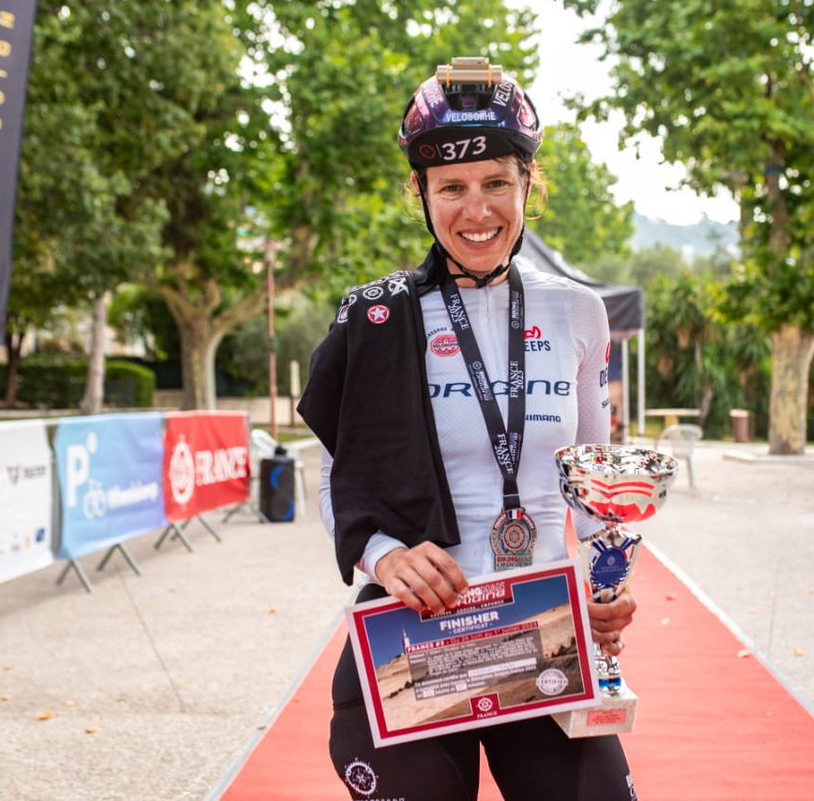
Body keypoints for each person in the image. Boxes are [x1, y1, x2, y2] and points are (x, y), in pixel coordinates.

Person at [297, 57, 639, 801]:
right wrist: (384, 556)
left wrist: (609, 578)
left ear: (528, 187)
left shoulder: (578, 312)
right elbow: (334, 475)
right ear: (420, 191)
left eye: (497, 184)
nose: (475, 209)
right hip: (417, 635)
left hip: (547, 631)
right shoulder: (375, 320)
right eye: (452, 187)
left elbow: (593, 483)